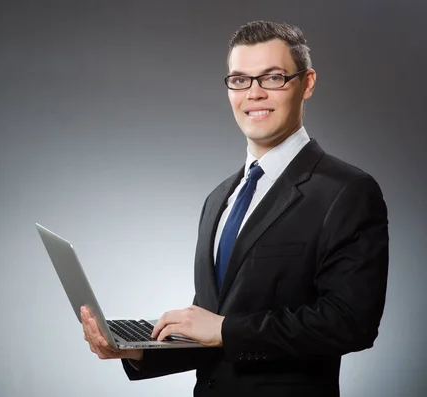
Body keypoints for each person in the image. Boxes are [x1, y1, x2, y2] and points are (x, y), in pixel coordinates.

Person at [81, 20, 388, 397]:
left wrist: (225, 329)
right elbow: (210, 335)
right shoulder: (219, 199)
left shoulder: (347, 191)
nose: (254, 93)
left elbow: (350, 321)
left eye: (273, 78)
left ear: (307, 83)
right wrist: (136, 351)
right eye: (240, 79)